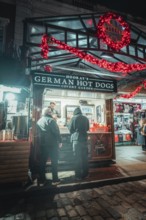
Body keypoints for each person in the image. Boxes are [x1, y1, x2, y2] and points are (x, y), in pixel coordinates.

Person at [35, 107, 62, 185]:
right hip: (52, 144)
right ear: (49, 113)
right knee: (54, 161)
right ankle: (55, 179)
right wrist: (60, 141)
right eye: (50, 112)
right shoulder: (51, 120)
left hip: (43, 144)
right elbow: (56, 132)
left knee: (42, 162)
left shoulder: (39, 121)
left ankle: (42, 180)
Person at [68, 107, 90, 180]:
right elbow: (87, 128)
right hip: (84, 139)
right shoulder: (85, 118)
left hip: (76, 140)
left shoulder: (73, 118)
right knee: (85, 158)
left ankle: (78, 176)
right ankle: (86, 174)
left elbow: (70, 129)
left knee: (77, 158)